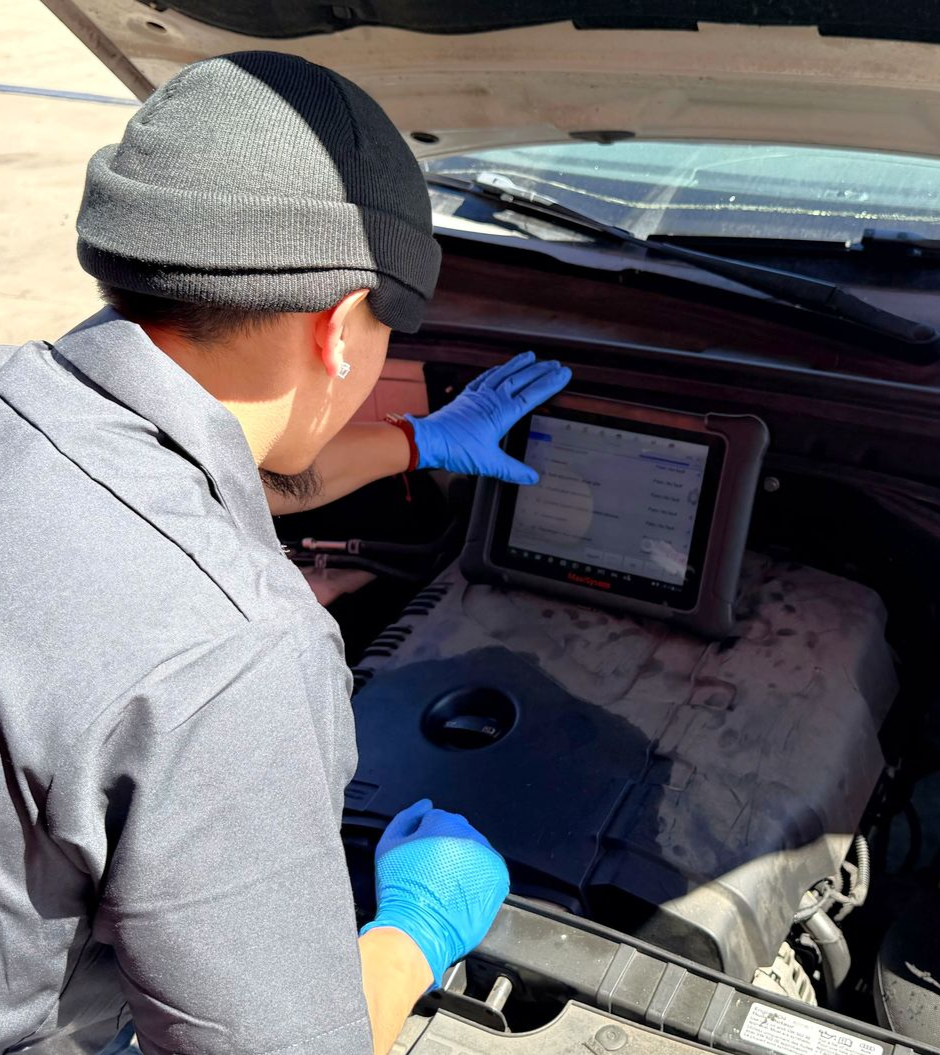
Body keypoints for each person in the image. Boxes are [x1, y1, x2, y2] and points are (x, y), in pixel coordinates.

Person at [0, 51, 570, 1055]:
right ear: (343, 327)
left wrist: (419, 440)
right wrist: (413, 933)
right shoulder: (234, 648)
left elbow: (200, 468)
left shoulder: (25, 402)